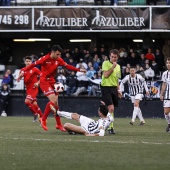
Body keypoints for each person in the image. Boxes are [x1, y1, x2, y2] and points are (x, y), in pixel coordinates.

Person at [23, 45, 86, 131]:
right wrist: (24, 70)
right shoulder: (44, 58)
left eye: (60, 54)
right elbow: (33, 64)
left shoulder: (58, 60)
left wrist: (79, 70)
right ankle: (43, 119)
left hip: (52, 81)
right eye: (57, 54)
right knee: (53, 101)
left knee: (56, 104)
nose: (59, 56)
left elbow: (67, 66)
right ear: (52, 52)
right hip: (44, 81)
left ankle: (59, 124)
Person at [101, 49, 121, 134]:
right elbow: (105, 75)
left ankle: (108, 126)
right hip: (106, 87)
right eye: (112, 57)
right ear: (109, 56)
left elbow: (117, 79)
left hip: (113, 88)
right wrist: (113, 66)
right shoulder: (105, 63)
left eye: (115, 57)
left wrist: (119, 90)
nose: (113, 58)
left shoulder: (119, 66)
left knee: (111, 109)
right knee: (111, 108)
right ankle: (109, 127)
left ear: (117, 57)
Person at [17, 56, 43, 122]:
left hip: (34, 88)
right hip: (28, 89)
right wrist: (19, 76)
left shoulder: (35, 69)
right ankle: (43, 117)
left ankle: (35, 114)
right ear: (24, 62)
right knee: (34, 104)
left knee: (27, 101)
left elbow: (42, 76)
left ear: (31, 62)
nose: (28, 62)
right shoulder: (22, 70)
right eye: (27, 61)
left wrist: (37, 83)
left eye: (29, 61)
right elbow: (18, 80)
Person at [160, 57, 170, 132]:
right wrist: (161, 94)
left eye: (169, 63)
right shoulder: (165, 74)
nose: (168, 64)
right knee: (166, 112)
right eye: (167, 63)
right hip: (167, 95)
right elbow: (164, 84)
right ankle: (169, 124)